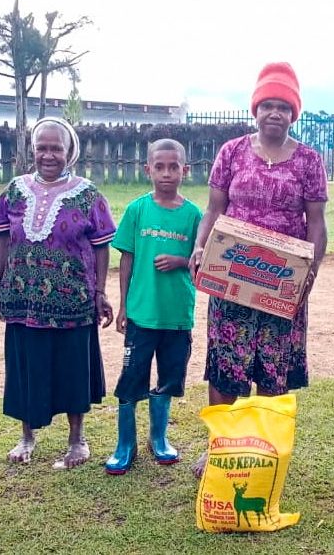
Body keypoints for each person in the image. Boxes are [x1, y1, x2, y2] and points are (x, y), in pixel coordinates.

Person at [189, 62, 329, 477]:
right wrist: (200, 247)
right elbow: (215, 209)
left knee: (274, 365)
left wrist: (310, 272)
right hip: (232, 277)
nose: (274, 113)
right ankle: (221, 449)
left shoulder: (308, 160)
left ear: (293, 113)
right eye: (266, 104)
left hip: (282, 283)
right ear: (255, 110)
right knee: (226, 365)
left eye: (283, 107)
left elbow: (316, 223)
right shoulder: (231, 152)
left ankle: (264, 451)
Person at [0, 117, 115, 469]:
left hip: (73, 301)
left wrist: (100, 292)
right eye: (42, 148)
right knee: (27, 367)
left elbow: (101, 248)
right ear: (32, 150)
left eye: (57, 148)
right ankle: (26, 437)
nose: (49, 155)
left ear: (70, 151)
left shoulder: (88, 194)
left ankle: (77, 441)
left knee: (72, 368)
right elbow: (3, 242)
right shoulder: (14, 190)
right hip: (23, 299)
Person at [104, 139, 202, 475]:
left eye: (173, 166)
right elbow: (127, 260)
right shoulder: (136, 211)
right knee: (131, 378)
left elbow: (202, 262)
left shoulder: (194, 216)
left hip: (176, 316)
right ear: (148, 169)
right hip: (141, 315)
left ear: (184, 171)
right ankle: (125, 444)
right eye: (159, 167)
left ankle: (158, 438)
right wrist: (123, 307)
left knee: (169, 378)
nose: (166, 173)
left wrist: (181, 260)